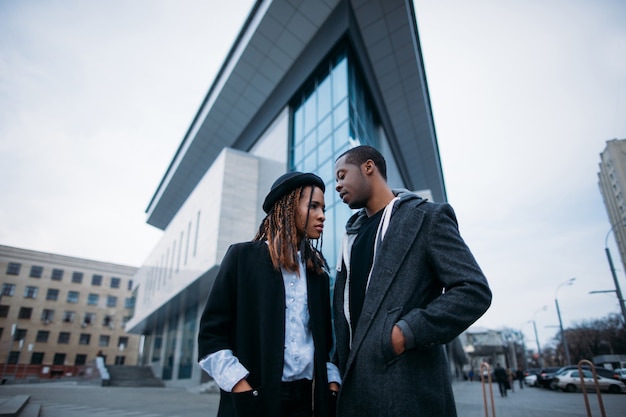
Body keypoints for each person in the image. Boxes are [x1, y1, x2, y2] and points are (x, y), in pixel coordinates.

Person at [332, 145, 492, 416]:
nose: (337, 186)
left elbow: (473, 291)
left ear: (368, 167)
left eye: (341, 175)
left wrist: (405, 333)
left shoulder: (428, 217)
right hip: (354, 395)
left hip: (407, 389)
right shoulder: (351, 239)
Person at [197, 172, 340, 417]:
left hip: (310, 402)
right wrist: (240, 387)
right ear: (288, 206)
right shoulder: (242, 258)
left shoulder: (318, 275)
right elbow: (212, 335)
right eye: (313, 206)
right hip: (255, 398)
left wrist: (332, 384)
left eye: (323, 208)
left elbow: (324, 344)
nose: (322, 215)